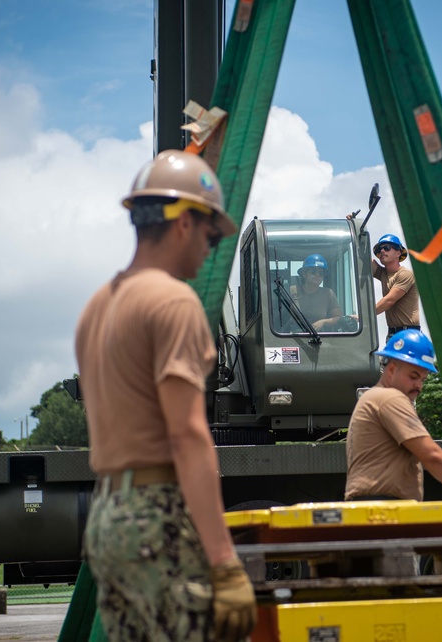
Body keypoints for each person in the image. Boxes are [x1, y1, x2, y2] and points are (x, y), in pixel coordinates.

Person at [75, 150, 256, 642]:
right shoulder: (174, 301)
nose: (211, 248)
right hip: (156, 518)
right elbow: (186, 434)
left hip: (108, 515)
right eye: (211, 234)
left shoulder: (98, 305)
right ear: (182, 223)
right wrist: (223, 562)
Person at [344, 329, 442, 502]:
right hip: (383, 509)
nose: (418, 386)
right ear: (391, 370)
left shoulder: (373, 397)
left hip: (374, 506)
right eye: (413, 376)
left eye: (422, 379)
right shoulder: (390, 398)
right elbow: (431, 455)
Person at [371, 234, 421, 341]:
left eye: (387, 248)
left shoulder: (405, 274)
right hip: (393, 334)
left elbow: (389, 300)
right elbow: (363, 256)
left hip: (408, 334)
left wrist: (364, 316)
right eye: (380, 249)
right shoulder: (383, 273)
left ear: (398, 253)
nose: (382, 251)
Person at [288, 254, 343, 331]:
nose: (317, 275)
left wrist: (323, 322)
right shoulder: (292, 290)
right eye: (313, 272)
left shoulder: (328, 293)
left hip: (318, 338)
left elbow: (337, 317)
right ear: (304, 274)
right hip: (291, 337)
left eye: (321, 273)